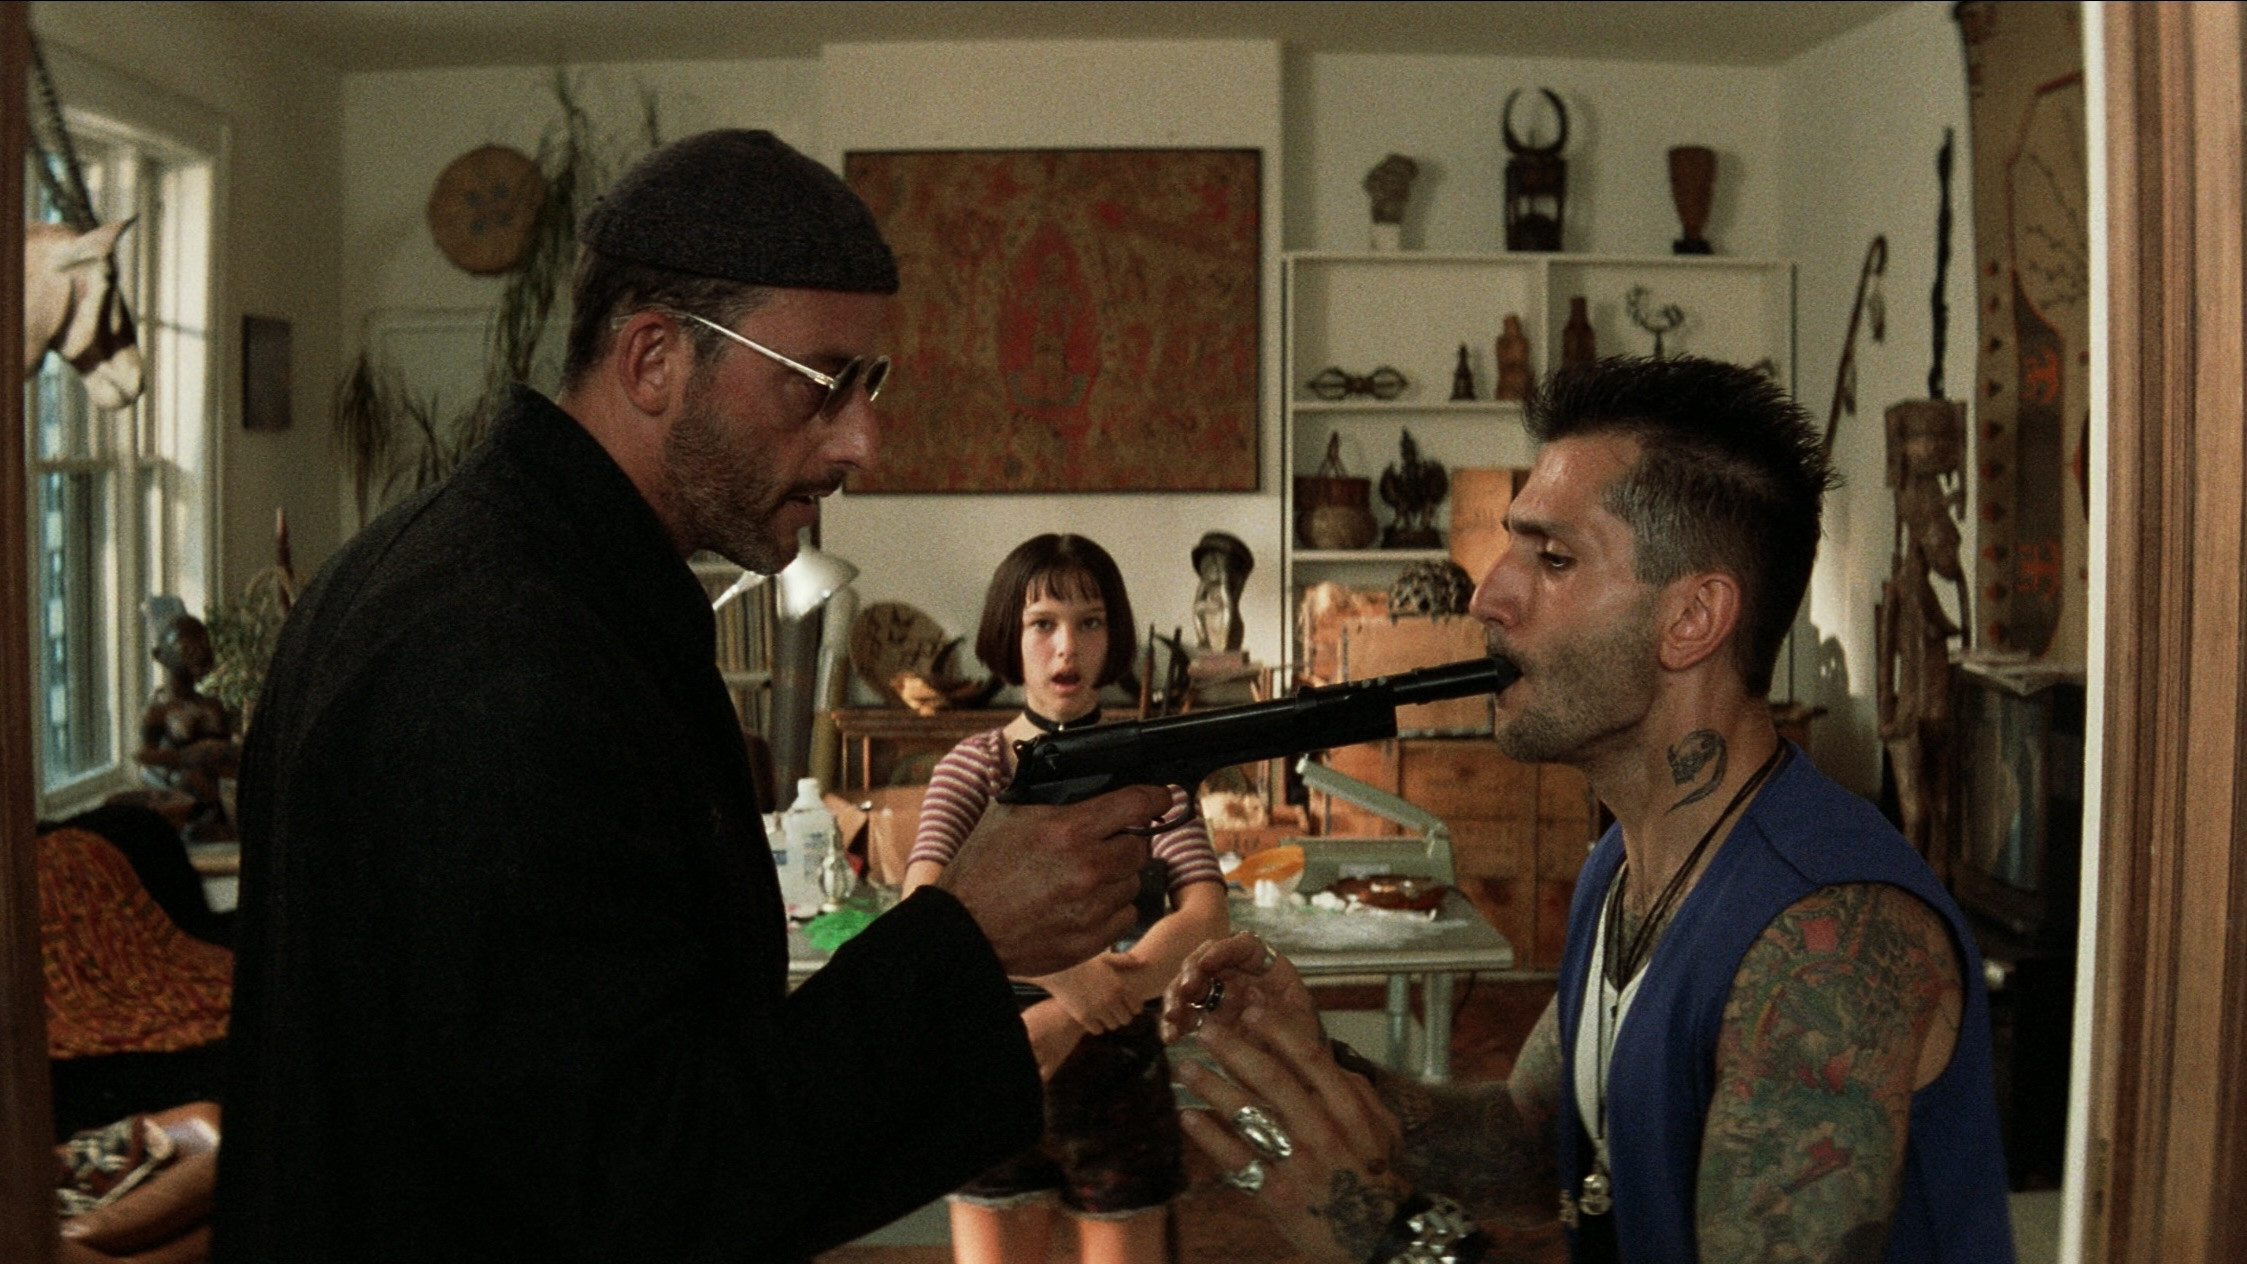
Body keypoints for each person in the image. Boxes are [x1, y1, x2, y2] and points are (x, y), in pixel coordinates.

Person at [214, 130, 1170, 1264]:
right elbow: (644, 1182)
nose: (862, 440)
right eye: (820, 384)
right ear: (654, 359)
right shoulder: (505, 657)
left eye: (870, 385)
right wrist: (965, 935)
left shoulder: (457, 569)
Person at [1161, 356, 2013, 1263]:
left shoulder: (1824, 943)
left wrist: (1383, 1237)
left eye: (1554, 559)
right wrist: (1315, 1071)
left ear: (1692, 619)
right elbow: (1535, 1144)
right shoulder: (1625, 860)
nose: (1487, 594)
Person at [904, 533, 1229, 1264]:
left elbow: (1206, 917)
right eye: (1042, 623)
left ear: (1114, 635)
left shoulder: (1146, 768)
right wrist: (1067, 976)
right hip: (992, 1064)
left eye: (1090, 622)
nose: (1066, 648)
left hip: (1119, 1079)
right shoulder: (975, 766)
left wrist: (1065, 1014)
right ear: (1008, 636)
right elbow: (923, 907)